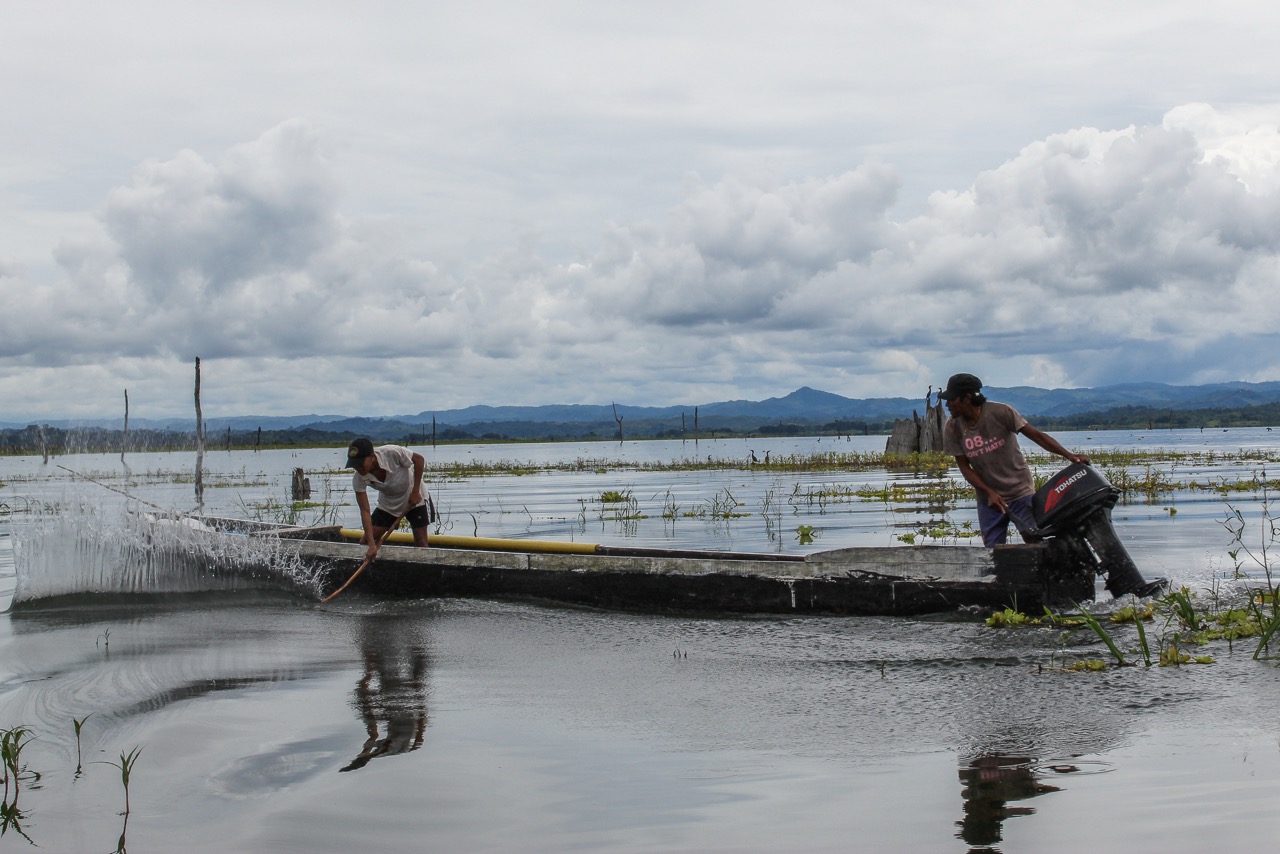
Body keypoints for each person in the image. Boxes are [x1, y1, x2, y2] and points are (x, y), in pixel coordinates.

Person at [940, 373, 1089, 547]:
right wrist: (990, 493)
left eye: (952, 400)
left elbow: (1037, 436)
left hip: (1020, 492)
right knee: (994, 552)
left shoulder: (1001, 412)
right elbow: (965, 468)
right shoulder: (952, 427)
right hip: (989, 499)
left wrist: (1068, 455)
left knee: (1034, 540)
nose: (948, 405)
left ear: (967, 398)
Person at [345, 437, 431, 559]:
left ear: (372, 457)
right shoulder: (358, 478)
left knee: (421, 542)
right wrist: (371, 545)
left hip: (415, 498)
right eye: (354, 465)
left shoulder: (391, 453)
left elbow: (419, 460)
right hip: (389, 504)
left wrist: (415, 491)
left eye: (360, 464)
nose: (358, 468)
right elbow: (365, 511)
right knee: (364, 542)